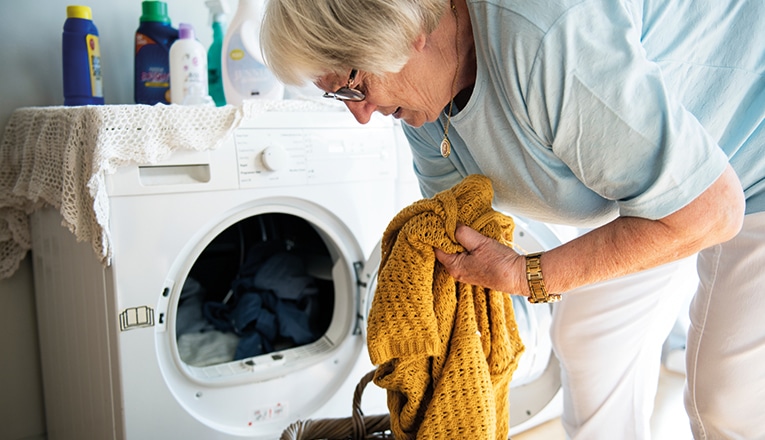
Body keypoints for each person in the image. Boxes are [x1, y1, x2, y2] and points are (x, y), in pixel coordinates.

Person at [260, 0, 765, 438]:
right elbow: (456, 227)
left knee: (724, 397)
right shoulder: (421, 107)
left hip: (748, 156)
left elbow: (709, 211)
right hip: (661, 187)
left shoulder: (543, 38)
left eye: (352, 85)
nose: (360, 114)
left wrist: (529, 274)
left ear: (404, 29)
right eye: (337, 95)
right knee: (587, 337)